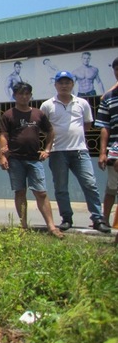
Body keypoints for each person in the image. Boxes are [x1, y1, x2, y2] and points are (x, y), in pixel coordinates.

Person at [40, 71, 111, 233]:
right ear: (55, 85)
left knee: (90, 184)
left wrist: (75, 136)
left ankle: (98, 219)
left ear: (73, 84)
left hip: (80, 151)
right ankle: (66, 218)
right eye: (61, 83)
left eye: (67, 82)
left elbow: (87, 125)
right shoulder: (47, 105)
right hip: (58, 152)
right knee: (61, 187)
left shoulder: (82, 103)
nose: (64, 85)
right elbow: (44, 128)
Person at [0, 82, 63, 238]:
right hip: (15, 159)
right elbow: (3, 136)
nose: (24, 96)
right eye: (21, 93)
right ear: (14, 96)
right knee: (20, 192)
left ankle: (52, 227)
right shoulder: (8, 115)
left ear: (31, 96)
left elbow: (50, 131)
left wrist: (47, 149)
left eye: (27, 93)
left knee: (41, 192)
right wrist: (2, 156)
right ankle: (23, 226)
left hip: (34, 159)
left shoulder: (38, 114)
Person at [96, 56, 118, 230]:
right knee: (112, 187)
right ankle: (105, 219)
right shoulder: (108, 98)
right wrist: (103, 152)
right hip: (114, 150)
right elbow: (104, 127)